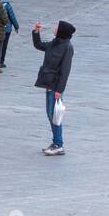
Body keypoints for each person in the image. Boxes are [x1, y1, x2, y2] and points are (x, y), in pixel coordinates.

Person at [32, 19, 75, 156]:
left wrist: (59, 90)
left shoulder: (68, 47)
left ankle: (58, 144)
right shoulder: (54, 42)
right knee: (51, 114)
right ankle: (56, 142)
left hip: (55, 86)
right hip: (48, 83)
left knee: (54, 115)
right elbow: (39, 45)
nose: (55, 28)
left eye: (57, 27)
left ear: (61, 31)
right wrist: (36, 32)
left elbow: (65, 71)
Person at [0, 0, 20, 66]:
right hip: (6, 29)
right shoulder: (7, 5)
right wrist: (16, 27)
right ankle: (1, 61)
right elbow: (12, 16)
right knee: (4, 45)